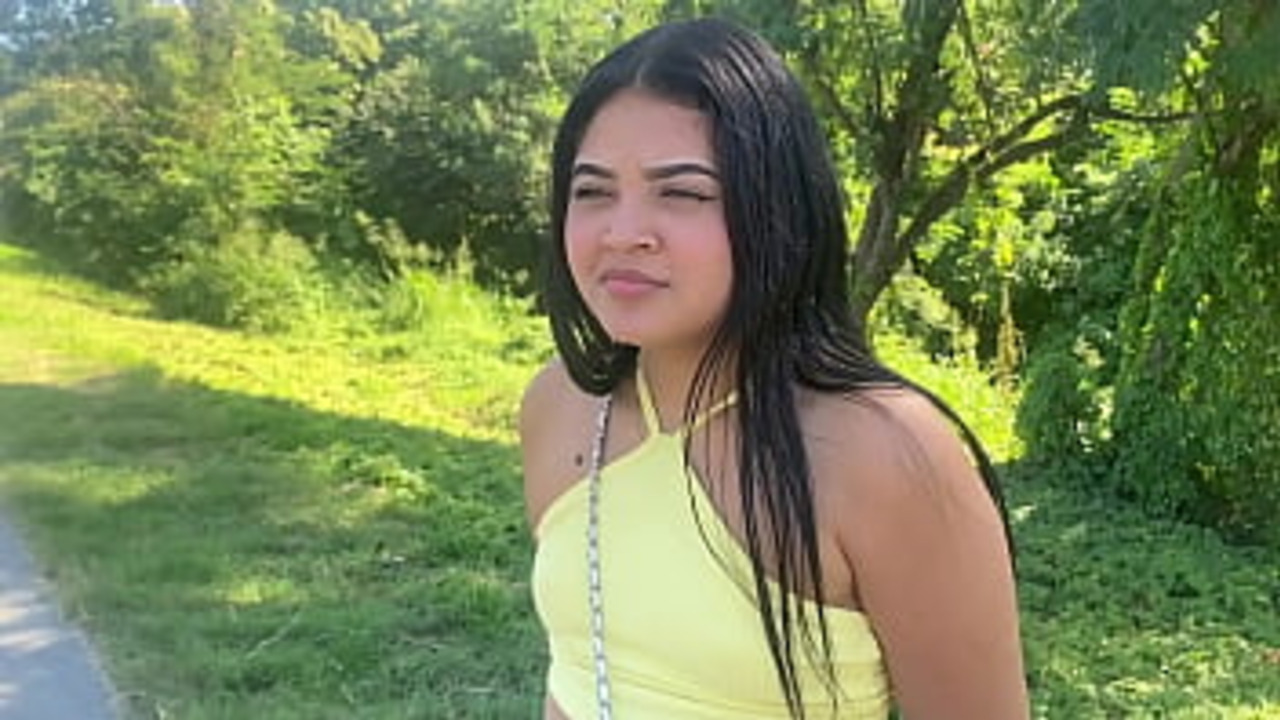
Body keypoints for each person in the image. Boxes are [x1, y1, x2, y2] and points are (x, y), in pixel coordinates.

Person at [519, 17, 1028, 720]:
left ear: (778, 208)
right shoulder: (560, 405)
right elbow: (580, 670)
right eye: (593, 191)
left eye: (683, 193)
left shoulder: (887, 455)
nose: (623, 232)